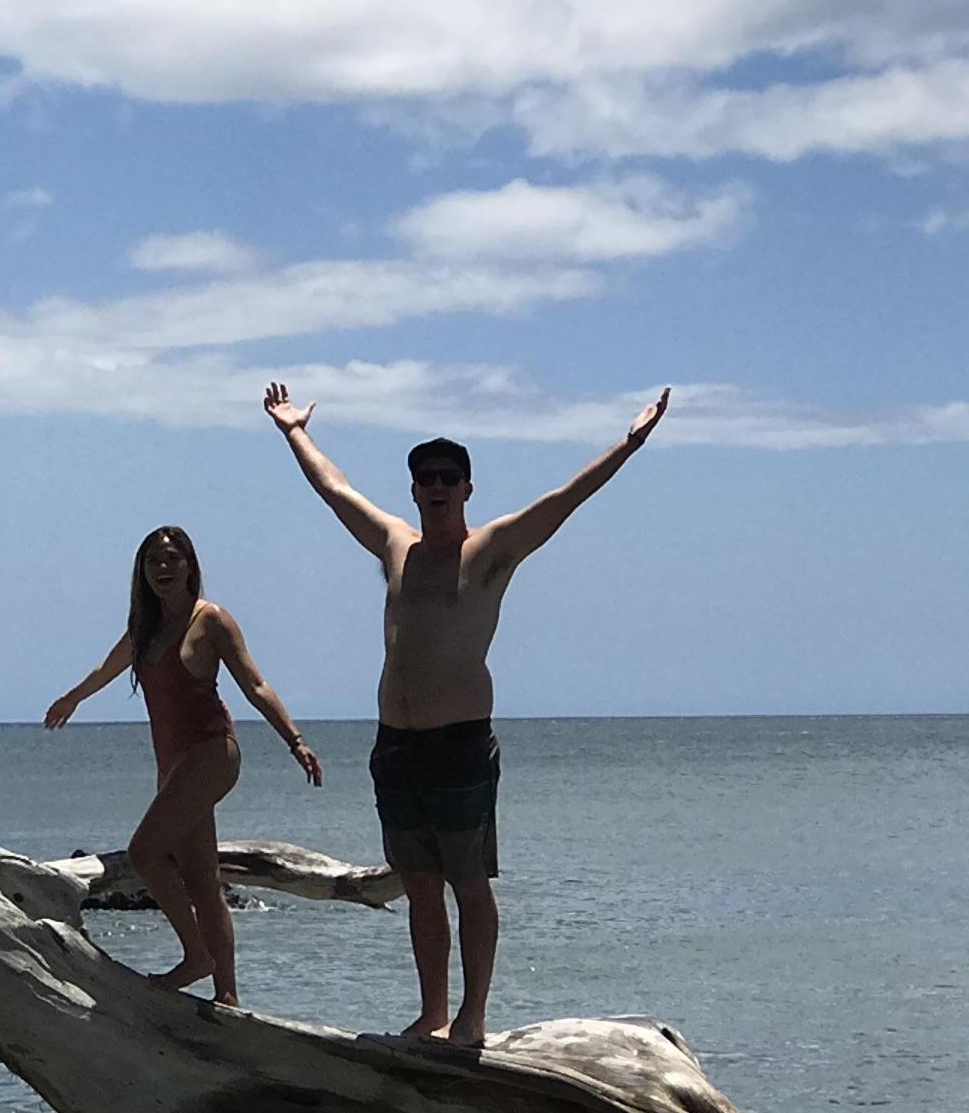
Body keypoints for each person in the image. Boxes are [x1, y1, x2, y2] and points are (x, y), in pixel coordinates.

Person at [261, 379, 671, 1049]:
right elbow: (335, 491)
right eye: (427, 478)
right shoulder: (397, 546)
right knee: (420, 886)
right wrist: (294, 431)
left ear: (468, 488)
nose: (438, 486)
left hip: (459, 745)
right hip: (396, 745)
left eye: (450, 477)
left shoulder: (492, 551)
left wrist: (629, 441)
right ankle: (433, 1012)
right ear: (416, 489)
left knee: (468, 883)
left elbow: (564, 500)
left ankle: (473, 1016)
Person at [44, 523, 324, 1012]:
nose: (163, 568)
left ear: (191, 565)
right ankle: (228, 995)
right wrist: (71, 698)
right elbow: (104, 670)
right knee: (201, 878)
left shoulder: (210, 620)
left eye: (173, 558)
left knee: (146, 853)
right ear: (142, 571)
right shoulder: (143, 628)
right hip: (173, 767)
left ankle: (196, 957)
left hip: (213, 753)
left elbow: (256, 685)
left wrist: (294, 740)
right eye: (154, 560)